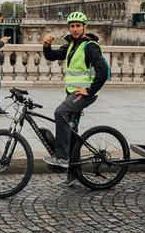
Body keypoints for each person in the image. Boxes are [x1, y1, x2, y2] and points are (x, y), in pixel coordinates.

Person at [41, 11, 109, 187]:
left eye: (78, 26)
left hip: (83, 94)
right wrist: (46, 46)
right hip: (72, 92)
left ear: (84, 27)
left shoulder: (90, 47)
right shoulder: (71, 45)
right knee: (71, 130)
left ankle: (62, 157)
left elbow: (103, 71)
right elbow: (51, 56)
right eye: (72, 26)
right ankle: (74, 175)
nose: (75, 29)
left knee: (60, 112)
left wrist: (90, 90)